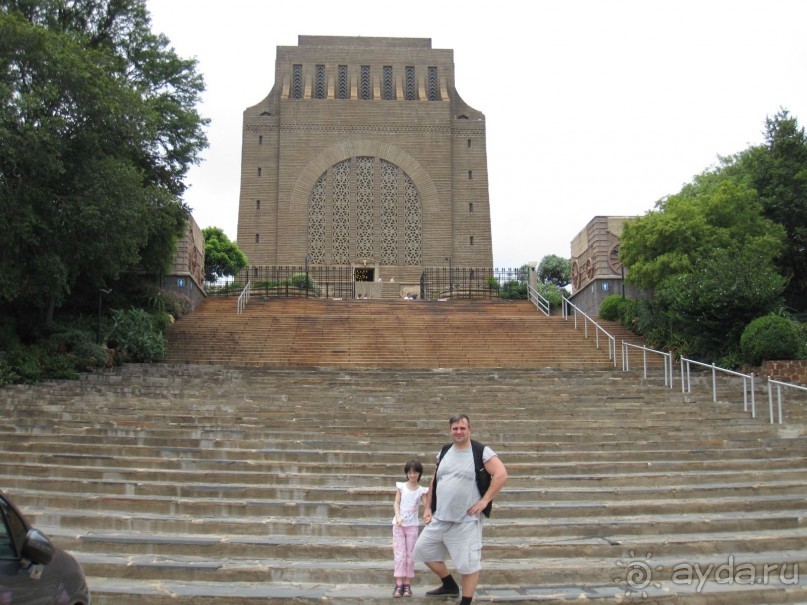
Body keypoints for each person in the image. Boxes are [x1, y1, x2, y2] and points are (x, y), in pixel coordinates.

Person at [414, 414, 508, 604]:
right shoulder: (445, 451)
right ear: (450, 431)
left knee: (468, 565)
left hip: (466, 520)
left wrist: (484, 501)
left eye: (462, 428)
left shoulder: (481, 451)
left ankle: (465, 601)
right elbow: (435, 480)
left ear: (469, 430)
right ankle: (449, 584)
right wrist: (427, 508)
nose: (458, 432)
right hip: (440, 517)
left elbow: (501, 474)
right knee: (422, 550)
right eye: (455, 428)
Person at [392, 459, 429, 598]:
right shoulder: (401, 487)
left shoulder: (421, 490)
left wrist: (427, 516)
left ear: (419, 474)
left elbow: (426, 507)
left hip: (412, 525)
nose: (412, 475)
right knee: (399, 554)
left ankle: (407, 584)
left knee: (410, 555)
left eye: (415, 472)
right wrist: (398, 516)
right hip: (398, 525)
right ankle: (399, 583)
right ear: (406, 473)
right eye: (410, 472)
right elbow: (396, 503)